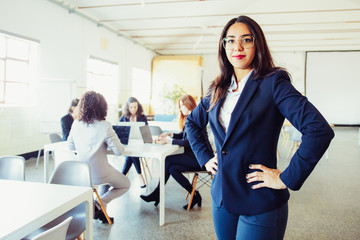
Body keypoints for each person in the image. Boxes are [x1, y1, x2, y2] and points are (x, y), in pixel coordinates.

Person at [185, 15, 334, 240]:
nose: (238, 46)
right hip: (222, 196)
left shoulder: (274, 83)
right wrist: (205, 157)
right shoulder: (218, 88)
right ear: (223, 45)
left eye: (246, 39)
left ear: (257, 44)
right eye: (231, 40)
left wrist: (285, 178)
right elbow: (193, 123)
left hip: (259, 198)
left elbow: (318, 129)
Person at [140, 94, 213, 210]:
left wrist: (170, 141)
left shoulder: (196, 119)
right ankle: (195, 195)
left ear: (189, 105)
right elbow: (184, 136)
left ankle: (157, 194)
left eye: (182, 106)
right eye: (180, 106)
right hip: (193, 157)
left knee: (168, 159)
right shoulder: (190, 118)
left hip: (202, 159)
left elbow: (189, 142)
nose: (181, 109)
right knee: (172, 169)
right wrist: (170, 134)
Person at [68, 91, 130, 223]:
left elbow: (71, 147)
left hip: (82, 174)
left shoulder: (76, 124)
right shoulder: (105, 126)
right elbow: (119, 151)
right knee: (125, 184)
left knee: (107, 179)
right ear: (102, 107)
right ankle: (99, 203)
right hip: (100, 173)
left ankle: (102, 212)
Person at [119, 97, 147, 188]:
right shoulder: (123, 118)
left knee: (131, 153)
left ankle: (122, 177)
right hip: (126, 145)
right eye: (131, 107)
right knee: (132, 152)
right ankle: (140, 175)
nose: (133, 109)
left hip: (140, 146)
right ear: (127, 107)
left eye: (135, 107)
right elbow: (119, 133)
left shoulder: (142, 118)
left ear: (138, 107)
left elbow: (146, 133)